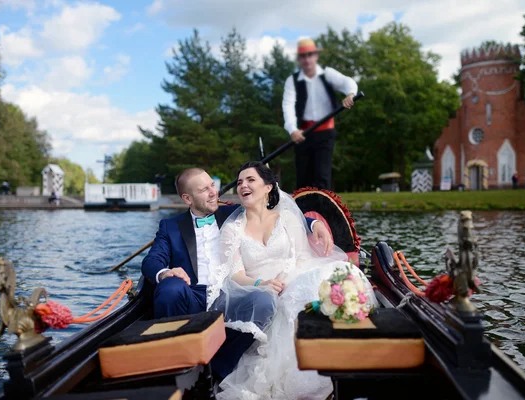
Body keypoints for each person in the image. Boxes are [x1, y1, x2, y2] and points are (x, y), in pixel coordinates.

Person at [141, 168, 333, 381]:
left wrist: (313, 223)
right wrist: (166, 272)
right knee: (170, 288)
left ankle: (218, 369)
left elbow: (272, 213)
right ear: (187, 198)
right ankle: (174, 366)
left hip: (232, 293)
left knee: (263, 300)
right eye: (205, 190)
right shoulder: (170, 226)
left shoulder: (232, 214)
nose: (214, 192)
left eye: (212, 185)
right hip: (191, 294)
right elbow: (151, 261)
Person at [207, 162, 377, 399]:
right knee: (285, 302)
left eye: (250, 180)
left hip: (294, 276)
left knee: (329, 276)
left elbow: (302, 256)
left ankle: (350, 356)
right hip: (260, 290)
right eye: (239, 182)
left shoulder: (286, 217)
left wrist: (288, 278)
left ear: (268, 187)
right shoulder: (232, 229)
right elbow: (235, 274)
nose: (243, 185)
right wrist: (262, 285)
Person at [282, 38, 358, 190]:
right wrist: (293, 129)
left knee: (321, 176)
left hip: (325, 133)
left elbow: (348, 82)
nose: (307, 59)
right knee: (303, 179)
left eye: (310, 55)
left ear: (316, 56)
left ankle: (322, 213)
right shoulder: (292, 81)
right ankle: (302, 212)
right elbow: (288, 106)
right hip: (302, 135)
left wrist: (350, 94)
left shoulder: (328, 74)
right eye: (303, 56)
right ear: (299, 59)